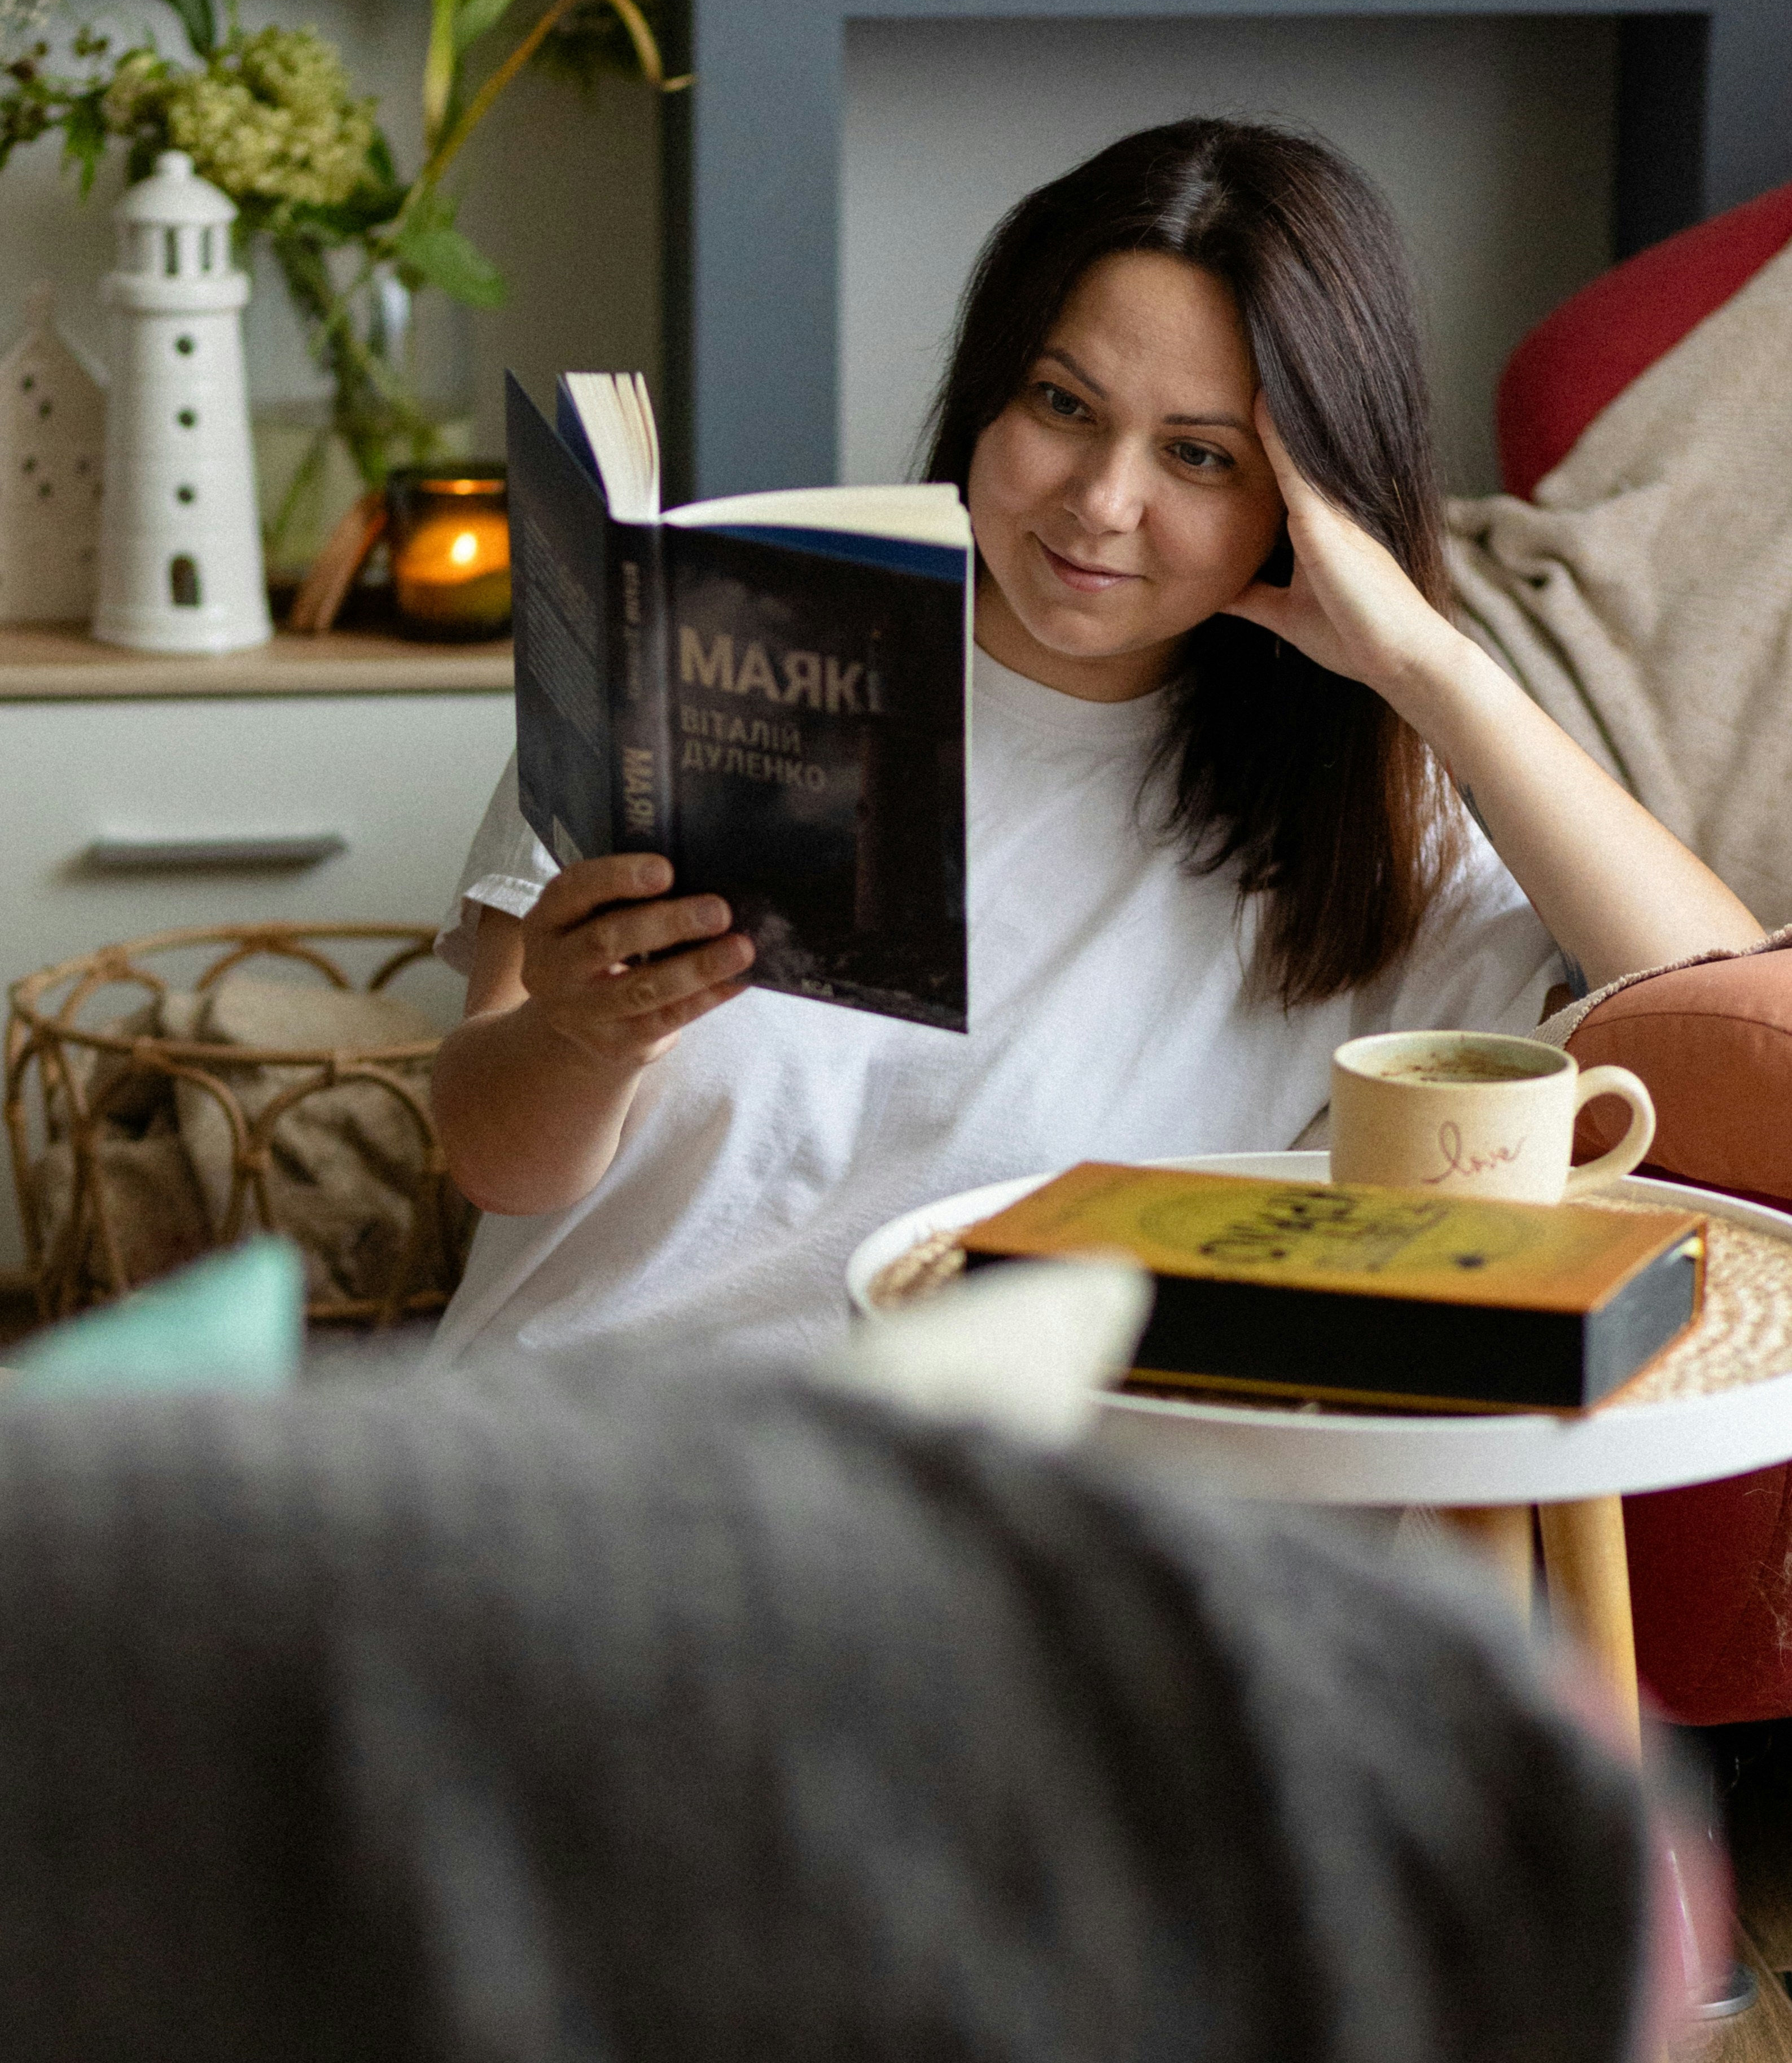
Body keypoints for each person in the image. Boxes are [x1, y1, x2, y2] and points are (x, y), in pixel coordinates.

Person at [0, 1352, 1663, 2063]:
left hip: (1033, 1457)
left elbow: (1708, 974)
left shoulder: (1343, 870)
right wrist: (574, 1031)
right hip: (620, 1427)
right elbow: (500, 1150)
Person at [429, 119, 1756, 1369]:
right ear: (988, 397)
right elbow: (493, 1163)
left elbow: (1735, 1029)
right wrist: (581, 1038)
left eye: (1199, 456)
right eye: (1063, 405)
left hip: (968, 1500)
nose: (1102, 501)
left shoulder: (1355, 825)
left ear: (1306, 504)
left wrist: (1427, 664)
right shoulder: (708, 653)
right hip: (574, 1451)